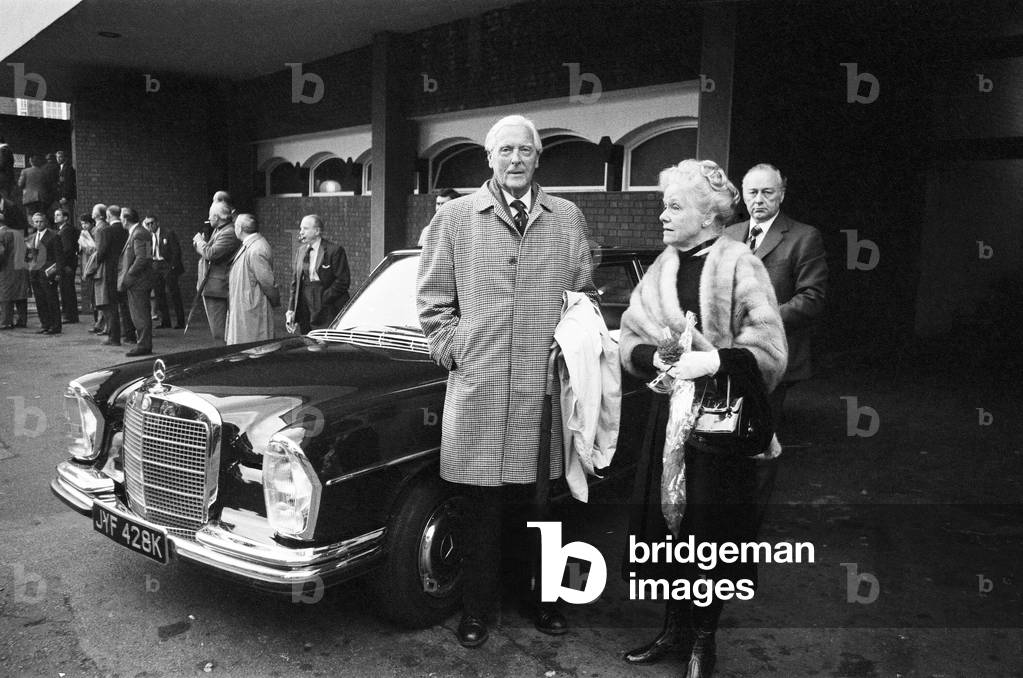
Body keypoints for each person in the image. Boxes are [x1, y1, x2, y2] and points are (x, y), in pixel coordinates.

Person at [416, 114, 595, 648]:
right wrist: (458, 351)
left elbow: (581, 292)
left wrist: (568, 353)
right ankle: (477, 610)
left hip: (542, 388)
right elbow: (431, 303)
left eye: (525, 150)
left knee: (542, 505)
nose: (515, 159)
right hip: (479, 387)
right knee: (479, 508)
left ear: (538, 158)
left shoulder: (565, 217)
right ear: (488, 159)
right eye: (505, 151)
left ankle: (544, 601)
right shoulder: (455, 217)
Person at [618, 159, 787, 678]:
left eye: (674, 206)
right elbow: (629, 337)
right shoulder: (661, 267)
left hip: (720, 428)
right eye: (662, 206)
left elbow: (771, 352)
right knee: (669, 527)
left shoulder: (740, 262)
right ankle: (673, 631)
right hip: (667, 420)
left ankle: (703, 643)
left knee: (711, 531)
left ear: (709, 214)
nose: (662, 217)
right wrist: (657, 359)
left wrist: (713, 361)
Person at [725, 163, 827, 434]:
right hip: (727, 354)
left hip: (772, 354)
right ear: (743, 195)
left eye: (767, 192)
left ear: (781, 194)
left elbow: (812, 298)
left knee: (760, 440)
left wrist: (759, 321)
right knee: (725, 436)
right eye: (752, 192)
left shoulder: (804, 237)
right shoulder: (729, 235)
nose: (758, 199)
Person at [285, 214, 350, 334]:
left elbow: (343, 281)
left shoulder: (334, 250)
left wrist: (323, 298)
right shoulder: (300, 251)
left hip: (326, 304)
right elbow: (295, 282)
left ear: (317, 231)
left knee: (324, 341)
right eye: (300, 228)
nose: (301, 232)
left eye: (305, 228)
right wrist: (291, 309)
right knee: (306, 340)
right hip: (305, 304)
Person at [225, 214, 279, 344]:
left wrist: (275, 301)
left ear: (240, 229)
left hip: (252, 308)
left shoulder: (256, 249)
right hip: (246, 306)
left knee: (253, 346)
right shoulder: (252, 245)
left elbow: (267, 283)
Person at [193, 201, 241, 341]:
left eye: (210, 215)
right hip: (212, 285)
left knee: (219, 331)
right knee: (219, 330)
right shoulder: (220, 229)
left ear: (217, 217)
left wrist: (199, 241)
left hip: (218, 288)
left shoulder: (229, 232)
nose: (209, 218)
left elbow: (211, 253)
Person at [117, 207, 154, 356]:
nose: (120, 220)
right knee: (138, 313)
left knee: (140, 314)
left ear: (125, 219)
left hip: (138, 281)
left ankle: (144, 345)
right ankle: (143, 343)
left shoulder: (139, 233)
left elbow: (142, 258)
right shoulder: (140, 232)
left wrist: (129, 275)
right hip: (139, 280)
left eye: (121, 217)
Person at [93, 205, 128, 346]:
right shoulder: (126, 231)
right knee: (125, 305)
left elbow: (102, 252)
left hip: (110, 271)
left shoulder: (107, 231)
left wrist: (95, 262)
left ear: (108, 215)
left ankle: (114, 338)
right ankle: (130, 334)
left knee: (111, 306)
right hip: (124, 269)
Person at [26, 212, 63, 334]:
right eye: (36, 221)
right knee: (40, 300)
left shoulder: (54, 235)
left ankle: (55, 326)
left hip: (48, 272)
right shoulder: (32, 236)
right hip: (35, 273)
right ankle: (45, 324)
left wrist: (57, 273)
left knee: (51, 299)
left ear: (45, 221)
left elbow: (59, 256)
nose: (38, 224)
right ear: (33, 222)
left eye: (40, 221)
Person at [146, 215, 185, 329]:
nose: (150, 226)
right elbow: (147, 254)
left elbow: (176, 251)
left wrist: (172, 267)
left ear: (157, 222)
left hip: (167, 265)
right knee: (159, 294)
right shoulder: (148, 236)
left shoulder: (168, 233)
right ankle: (165, 321)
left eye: (152, 223)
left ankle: (180, 321)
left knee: (174, 293)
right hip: (155, 265)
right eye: (147, 224)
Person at [0, 213, 30, 329]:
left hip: (6, 270)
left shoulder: (1, 234)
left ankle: (6, 322)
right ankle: (22, 320)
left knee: (5, 296)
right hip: (21, 269)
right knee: (21, 296)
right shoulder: (18, 233)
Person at [86, 204, 109, 334]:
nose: (92, 213)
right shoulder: (99, 228)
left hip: (99, 268)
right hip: (99, 266)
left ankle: (104, 325)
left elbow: (100, 251)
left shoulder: (100, 229)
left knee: (102, 299)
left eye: (94, 211)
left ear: (99, 215)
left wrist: (91, 268)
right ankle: (101, 323)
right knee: (99, 299)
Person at [54, 208, 79, 323]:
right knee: (66, 289)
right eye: (55, 215)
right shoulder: (64, 229)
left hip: (66, 265)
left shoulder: (66, 230)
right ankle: (70, 315)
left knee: (67, 290)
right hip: (68, 264)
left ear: (65, 218)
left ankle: (70, 315)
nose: (56, 217)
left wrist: (63, 264)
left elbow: (67, 249)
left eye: (58, 215)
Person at [78, 214, 98, 327]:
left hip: (93, 266)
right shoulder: (84, 234)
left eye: (86, 223)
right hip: (87, 266)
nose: (84, 226)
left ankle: (98, 321)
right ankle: (96, 321)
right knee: (91, 295)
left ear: (91, 223)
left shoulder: (95, 233)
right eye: (82, 224)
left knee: (95, 296)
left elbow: (94, 249)